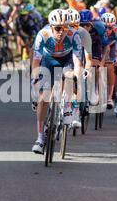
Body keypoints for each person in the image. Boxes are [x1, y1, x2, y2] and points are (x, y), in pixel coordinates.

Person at [31, 9, 83, 154]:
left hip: (66, 60)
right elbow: (36, 61)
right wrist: (35, 78)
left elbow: (78, 62)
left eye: (65, 27)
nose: (61, 31)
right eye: (58, 28)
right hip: (48, 61)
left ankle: (67, 108)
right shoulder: (43, 35)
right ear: (51, 26)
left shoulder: (74, 35)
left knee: (69, 76)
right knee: (43, 97)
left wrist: (76, 77)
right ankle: (40, 138)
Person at [101, 12, 117, 109]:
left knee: (110, 67)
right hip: (99, 46)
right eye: (105, 27)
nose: (107, 30)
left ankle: (109, 98)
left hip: (112, 46)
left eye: (110, 28)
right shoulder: (97, 29)